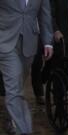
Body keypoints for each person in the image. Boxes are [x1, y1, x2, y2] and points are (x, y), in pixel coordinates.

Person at [0, 0, 53, 135]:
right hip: (5, 40)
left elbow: (45, 15)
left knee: (16, 86)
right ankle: (24, 130)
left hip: (29, 42)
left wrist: (48, 42)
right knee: (14, 89)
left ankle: (10, 117)